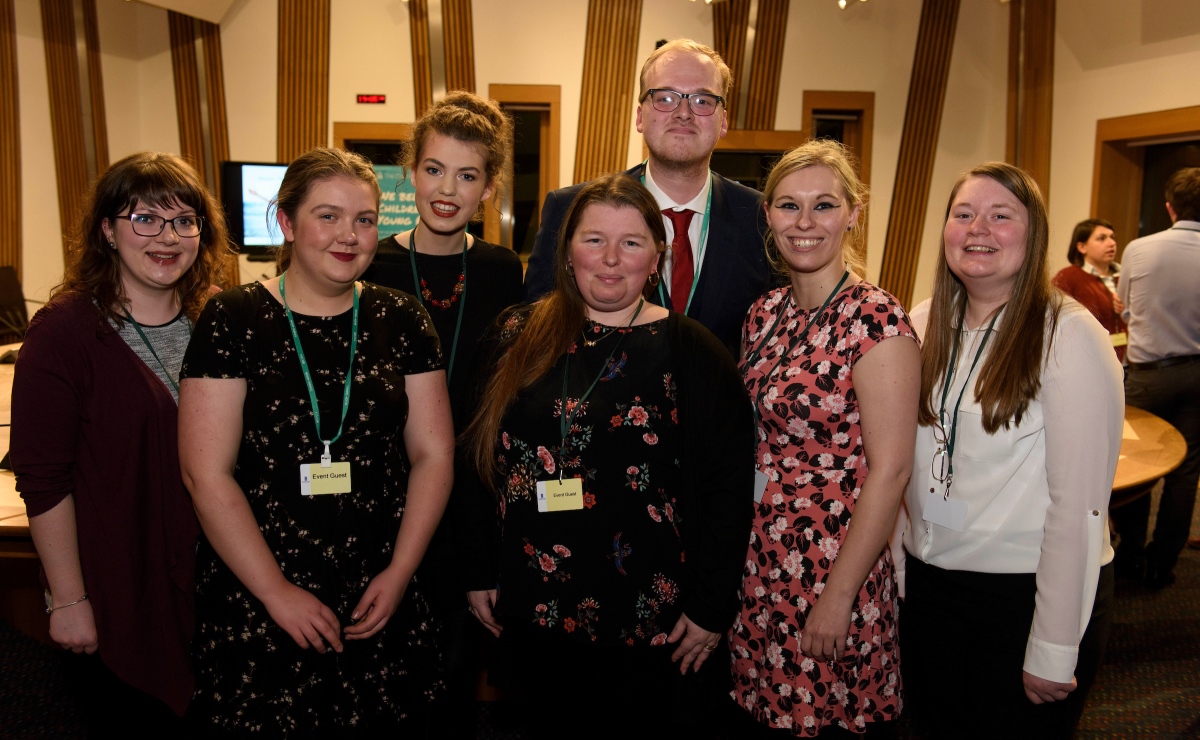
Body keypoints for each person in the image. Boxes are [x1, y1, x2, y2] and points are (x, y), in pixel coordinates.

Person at [460, 173, 754, 737]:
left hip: (648, 619)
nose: (611, 259)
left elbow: (727, 490)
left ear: (657, 257)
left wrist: (711, 606)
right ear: (568, 251)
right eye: (594, 240)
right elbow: (476, 459)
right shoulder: (515, 335)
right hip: (533, 604)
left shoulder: (693, 351)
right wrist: (476, 566)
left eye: (632, 242)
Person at [178, 147, 455, 737]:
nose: (349, 236)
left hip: (380, 584)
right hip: (260, 586)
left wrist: (402, 571)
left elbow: (433, 455)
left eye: (364, 219)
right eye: (327, 216)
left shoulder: (403, 318)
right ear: (286, 221)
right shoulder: (233, 318)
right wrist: (277, 594)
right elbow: (206, 474)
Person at [900, 163, 1124, 737]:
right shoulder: (921, 323)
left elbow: (1080, 505)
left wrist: (1052, 644)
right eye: (964, 213)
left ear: (1035, 234)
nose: (979, 228)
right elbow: (902, 465)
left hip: (1023, 596)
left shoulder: (1069, 336)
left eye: (1002, 216)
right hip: (931, 590)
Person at [11, 152, 229, 731]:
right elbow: (44, 480)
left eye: (185, 221)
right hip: (118, 590)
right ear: (107, 230)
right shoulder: (62, 335)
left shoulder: (218, 322)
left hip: (217, 589)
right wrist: (69, 598)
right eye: (145, 219)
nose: (167, 236)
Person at [728, 141, 919, 737]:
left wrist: (838, 597)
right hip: (760, 559)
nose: (805, 223)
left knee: (822, 719)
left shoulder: (877, 322)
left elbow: (891, 471)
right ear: (768, 215)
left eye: (824, 205)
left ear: (854, 213)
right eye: (789, 205)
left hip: (833, 564)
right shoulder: (765, 312)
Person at [361, 90, 523, 733]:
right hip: (381, 489)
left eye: (467, 174)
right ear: (410, 172)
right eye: (434, 169)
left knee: (454, 673)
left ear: (489, 187)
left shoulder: (501, 270)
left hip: (468, 497)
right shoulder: (370, 261)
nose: (447, 189)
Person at [522, 38, 769, 356]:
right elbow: (536, 338)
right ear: (640, 116)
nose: (683, 113)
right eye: (665, 97)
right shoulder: (568, 209)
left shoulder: (762, 217)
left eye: (702, 101)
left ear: (723, 120)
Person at [1111, 166, 1200, 587]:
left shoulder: (1140, 249)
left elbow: (1126, 308)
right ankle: (1162, 561)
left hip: (1151, 373)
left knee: (1138, 464)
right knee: (1187, 472)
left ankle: (1127, 558)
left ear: (1169, 207)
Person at [1051, 218, 1127, 361]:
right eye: (1102, 238)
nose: (1112, 243)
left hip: (1129, 360)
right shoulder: (1067, 277)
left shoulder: (1126, 275)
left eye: (1112, 237)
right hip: (1088, 357)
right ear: (1082, 247)